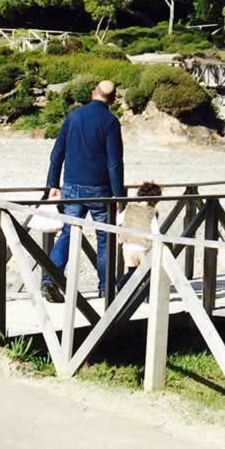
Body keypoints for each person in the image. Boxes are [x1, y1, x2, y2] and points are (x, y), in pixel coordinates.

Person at [45, 79, 125, 290]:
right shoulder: (110, 122)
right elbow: (114, 163)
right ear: (113, 99)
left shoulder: (74, 116)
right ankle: (106, 288)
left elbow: (57, 153)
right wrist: (118, 195)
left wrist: (52, 183)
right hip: (100, 189)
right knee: (104, 238)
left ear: (93, 93)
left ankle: (50, 279)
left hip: (71, 185)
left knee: (68, 232)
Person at [119, 181, 164, 277]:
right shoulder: (151, 212)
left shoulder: (129, 208)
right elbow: (156, 232)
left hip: (127, 246)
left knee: (131, 273)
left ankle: (121, 286)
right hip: (143, 248)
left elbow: (118, 220)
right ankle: (124, 287)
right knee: (146, 274)